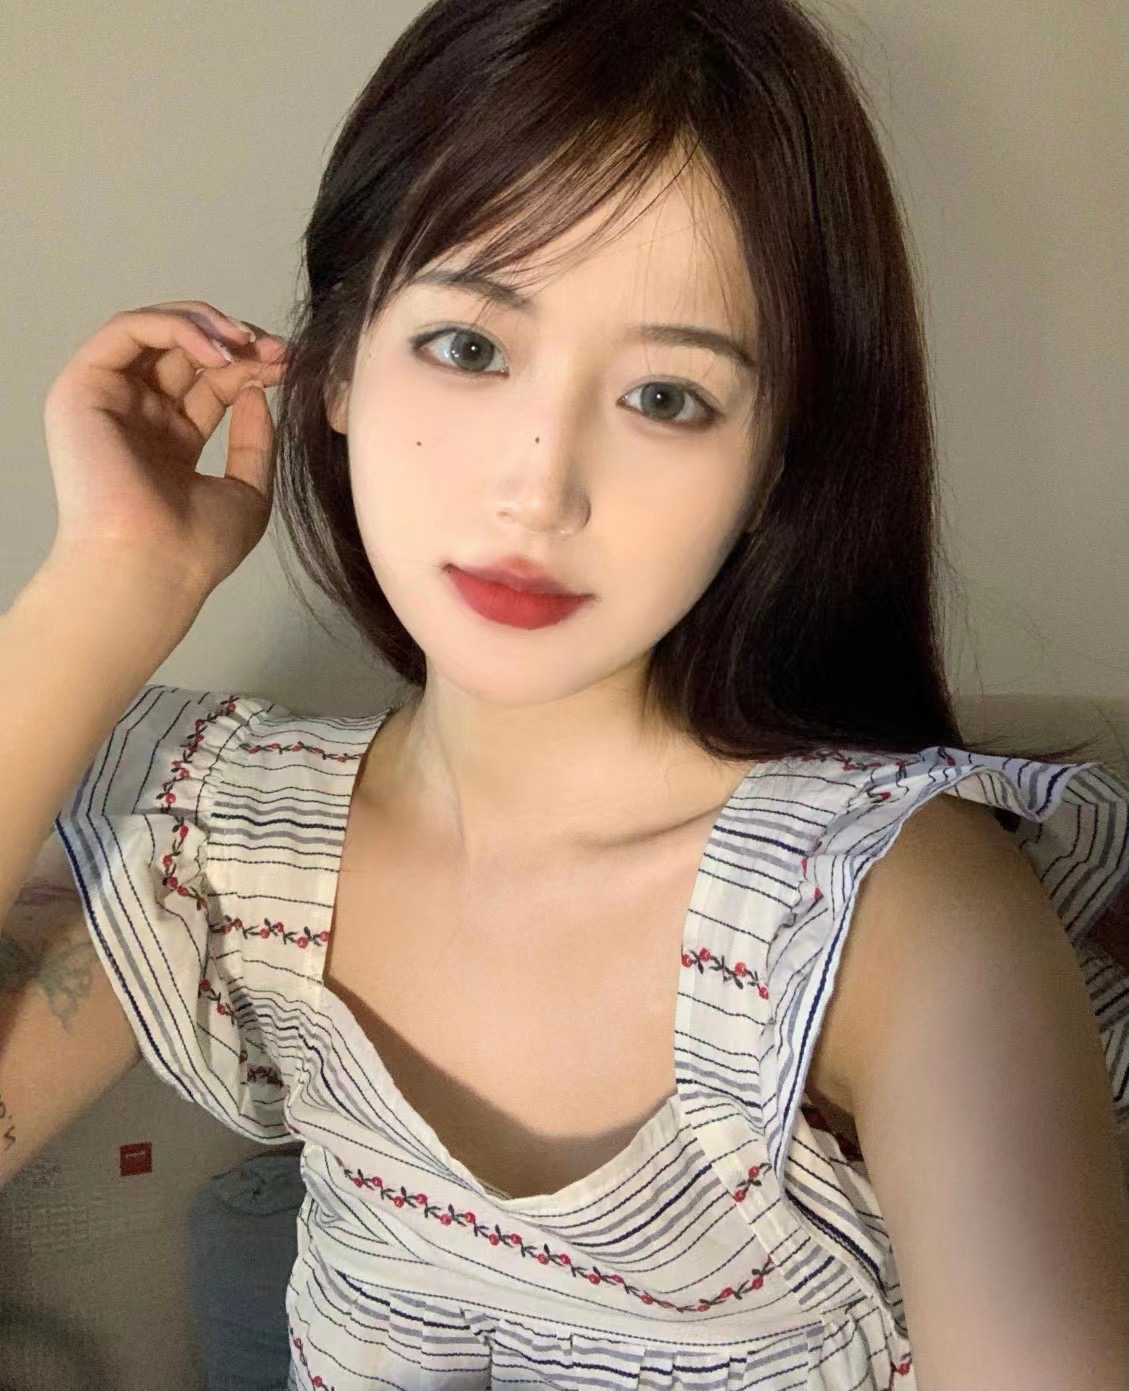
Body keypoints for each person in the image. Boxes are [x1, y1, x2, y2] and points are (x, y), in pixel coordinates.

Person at [2, 0, 1128, 1386]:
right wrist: (107, 584)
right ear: (337, 363)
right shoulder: (227, 841)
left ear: (772, 467)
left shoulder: (884, 916)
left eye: (667, 397)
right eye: (471, 348)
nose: (540, 489)